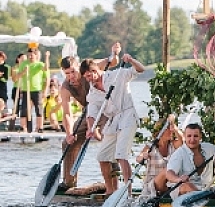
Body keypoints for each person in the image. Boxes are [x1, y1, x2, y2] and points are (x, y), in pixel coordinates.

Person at [82, 53, 145, 195]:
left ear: (95, 71)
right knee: (102, 157)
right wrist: (91, 128)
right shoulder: (92, 92)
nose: (88, 79)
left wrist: (131, 60)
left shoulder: (117, 75)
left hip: (128, 115)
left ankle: (127, 193)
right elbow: (91, 114)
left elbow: (141, 69)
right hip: (113, 121)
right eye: (85, 77)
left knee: (121, 155)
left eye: (89, 75)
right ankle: (111, 191)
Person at [59, 50, 118, 190]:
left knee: (107, 140)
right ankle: (69, 183)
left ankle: (114, 183)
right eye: (67, 73)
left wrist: (114, 54)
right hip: (88, 112)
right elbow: (67, 113)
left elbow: (113, 61)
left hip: (105, 109)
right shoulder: (65, 87)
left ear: (78, 66)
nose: (71, 76)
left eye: (73, 71)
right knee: (68, 143)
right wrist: (69, 134)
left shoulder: (89, 67)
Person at [135, 115, 183, 200]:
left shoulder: (173, 145)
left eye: (170, 129)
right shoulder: (151, 146)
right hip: (154, 184)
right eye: (168, 129)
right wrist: (143, 156)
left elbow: (182, 141)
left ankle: (174, 192)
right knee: (167, 171)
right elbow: (138, 158)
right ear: (161, 132)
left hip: (169, 183)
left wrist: (174, 128)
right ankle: (178, 183)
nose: (170, 131)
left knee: (170, 172)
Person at [165, 123, 215, 198]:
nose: (192, 140)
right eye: (189, 136)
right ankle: (203, 199)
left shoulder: (210, 148)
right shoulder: (179, 153)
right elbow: (169, 173)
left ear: (200, 136)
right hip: (183, 189)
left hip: (206, 188)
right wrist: (178, 179)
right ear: (185, 137)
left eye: (195, 136)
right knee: (187, 186)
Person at [17, 46, 47, 133]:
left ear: (36, 55)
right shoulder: (23, 64)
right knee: (24, 109)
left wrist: (47, 57)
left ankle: (39, 127)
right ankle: (23, 127)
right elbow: (18, 76)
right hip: (26, 90)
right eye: (29, 55)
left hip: (36, 89)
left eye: (32, 55)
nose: (30, 57)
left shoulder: (39, 64)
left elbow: (46, 68)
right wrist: (23, 72)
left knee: (39, 109)